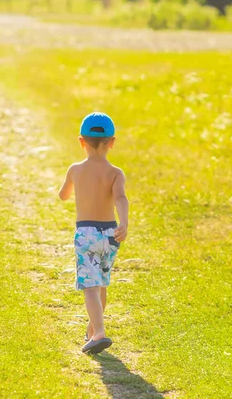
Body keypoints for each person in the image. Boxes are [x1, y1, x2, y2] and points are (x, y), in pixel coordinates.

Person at [58, 112, 129, 354]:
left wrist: (72, 184)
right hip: (110, 233)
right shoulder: (116, 173)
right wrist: (124, 223)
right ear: (112, 142)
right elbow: (120, 197)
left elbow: (63, 195)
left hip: (86, 233)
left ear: (81, 142)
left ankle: (99, 332)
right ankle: (92, 329)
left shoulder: (76, 170)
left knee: (90, 286)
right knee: (101, 285)